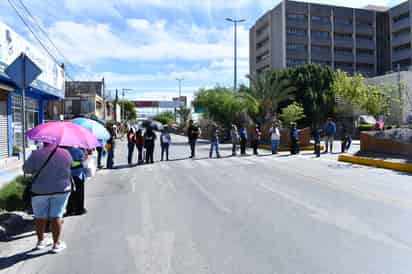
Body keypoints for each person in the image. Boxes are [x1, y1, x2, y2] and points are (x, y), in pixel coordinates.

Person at [23, 143, 72, 253]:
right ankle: (56, 244)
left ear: (43, 142)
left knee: (39, 217)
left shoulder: (36, 154)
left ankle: (40, 242)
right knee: (57, 215)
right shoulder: (65, 153)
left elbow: (26, 169)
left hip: (39, 190)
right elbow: (70, 165)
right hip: (61, 189)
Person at [65, 147, 87, 216]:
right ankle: (79, 209)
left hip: (67, 174)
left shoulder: (63, 152)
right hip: (78, 174)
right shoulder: (78, 151)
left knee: (69, 193)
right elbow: (82, 160)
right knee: (80, 192)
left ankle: (70, 210)